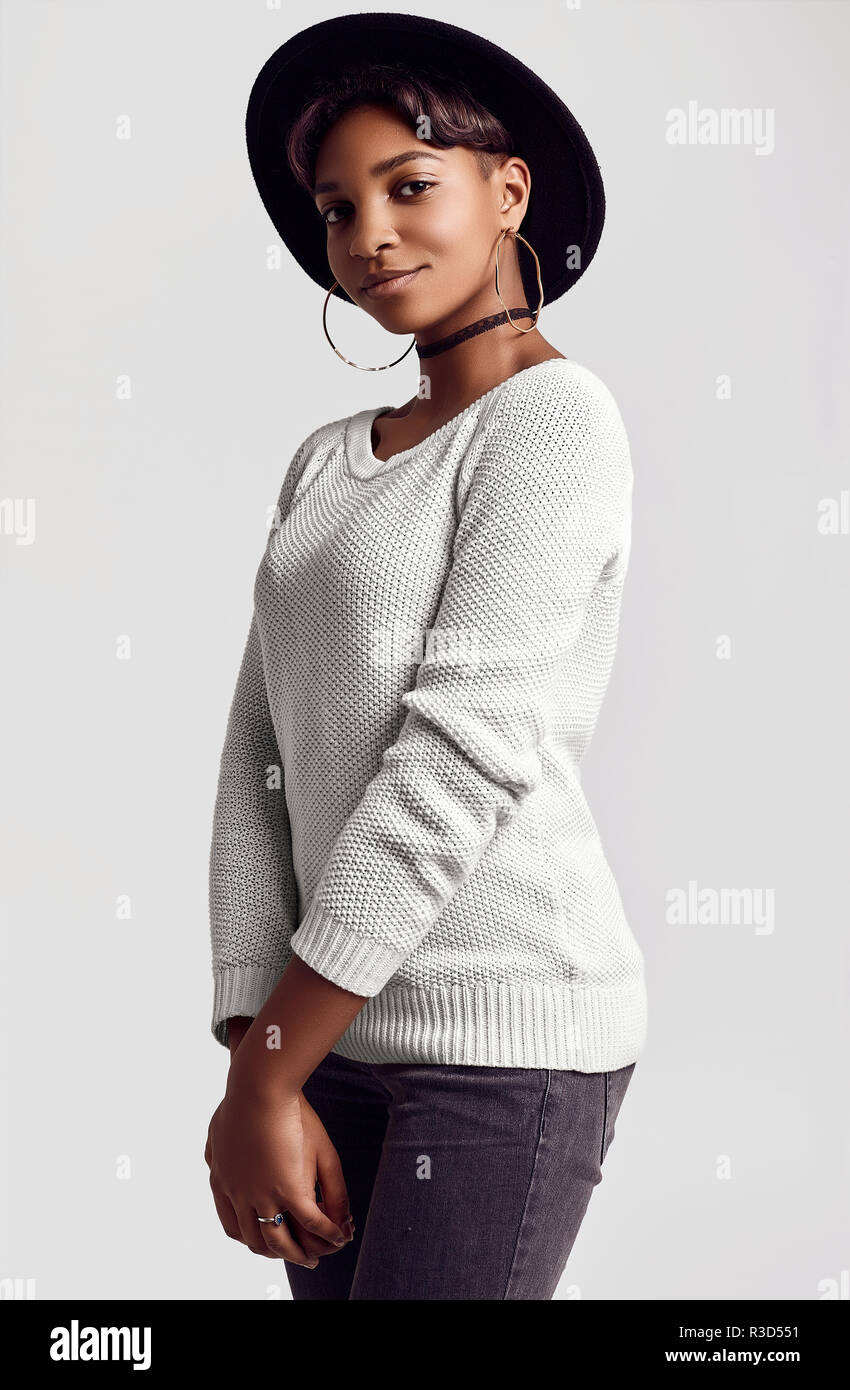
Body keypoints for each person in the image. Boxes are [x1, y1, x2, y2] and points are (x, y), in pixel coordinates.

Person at [204, 12, 648, 1301]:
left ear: (508, 192)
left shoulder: (553, 422)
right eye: (339, 209)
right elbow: (258, 752)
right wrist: (257, 1046)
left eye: (410, 186)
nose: (370, 235)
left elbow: (459, 756)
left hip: (503, 1041)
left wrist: (269, 1068)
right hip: (320, 1038)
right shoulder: (330, 459)